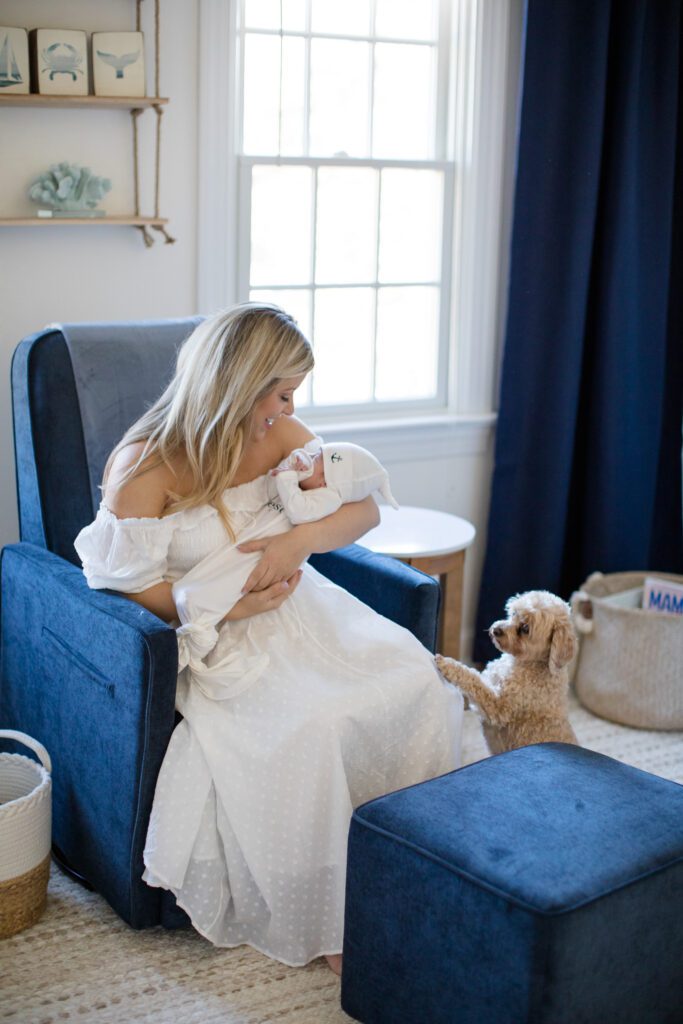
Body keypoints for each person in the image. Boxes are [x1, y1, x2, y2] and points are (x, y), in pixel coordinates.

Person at [74, 303, 463, 974]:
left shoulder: (279, 433)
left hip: (303, 607)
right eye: (280, 393)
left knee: (412, 674)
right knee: (314, 722)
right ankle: (330, 916)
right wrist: (230, 604)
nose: (287, 409)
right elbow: (123, 589)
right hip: (217, 629)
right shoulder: (145, 468)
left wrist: (299, 539)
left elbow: (364, 509)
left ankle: (412, 863)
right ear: (237, 385)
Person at [268, 440, 399, 524]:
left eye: (315, 459)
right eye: (314, 454)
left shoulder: (329, 498)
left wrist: (287, 476)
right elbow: (273, 484)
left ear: (323, 482)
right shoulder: (304, 478)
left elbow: (298, 512)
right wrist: (293, 465)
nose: (308, 457)